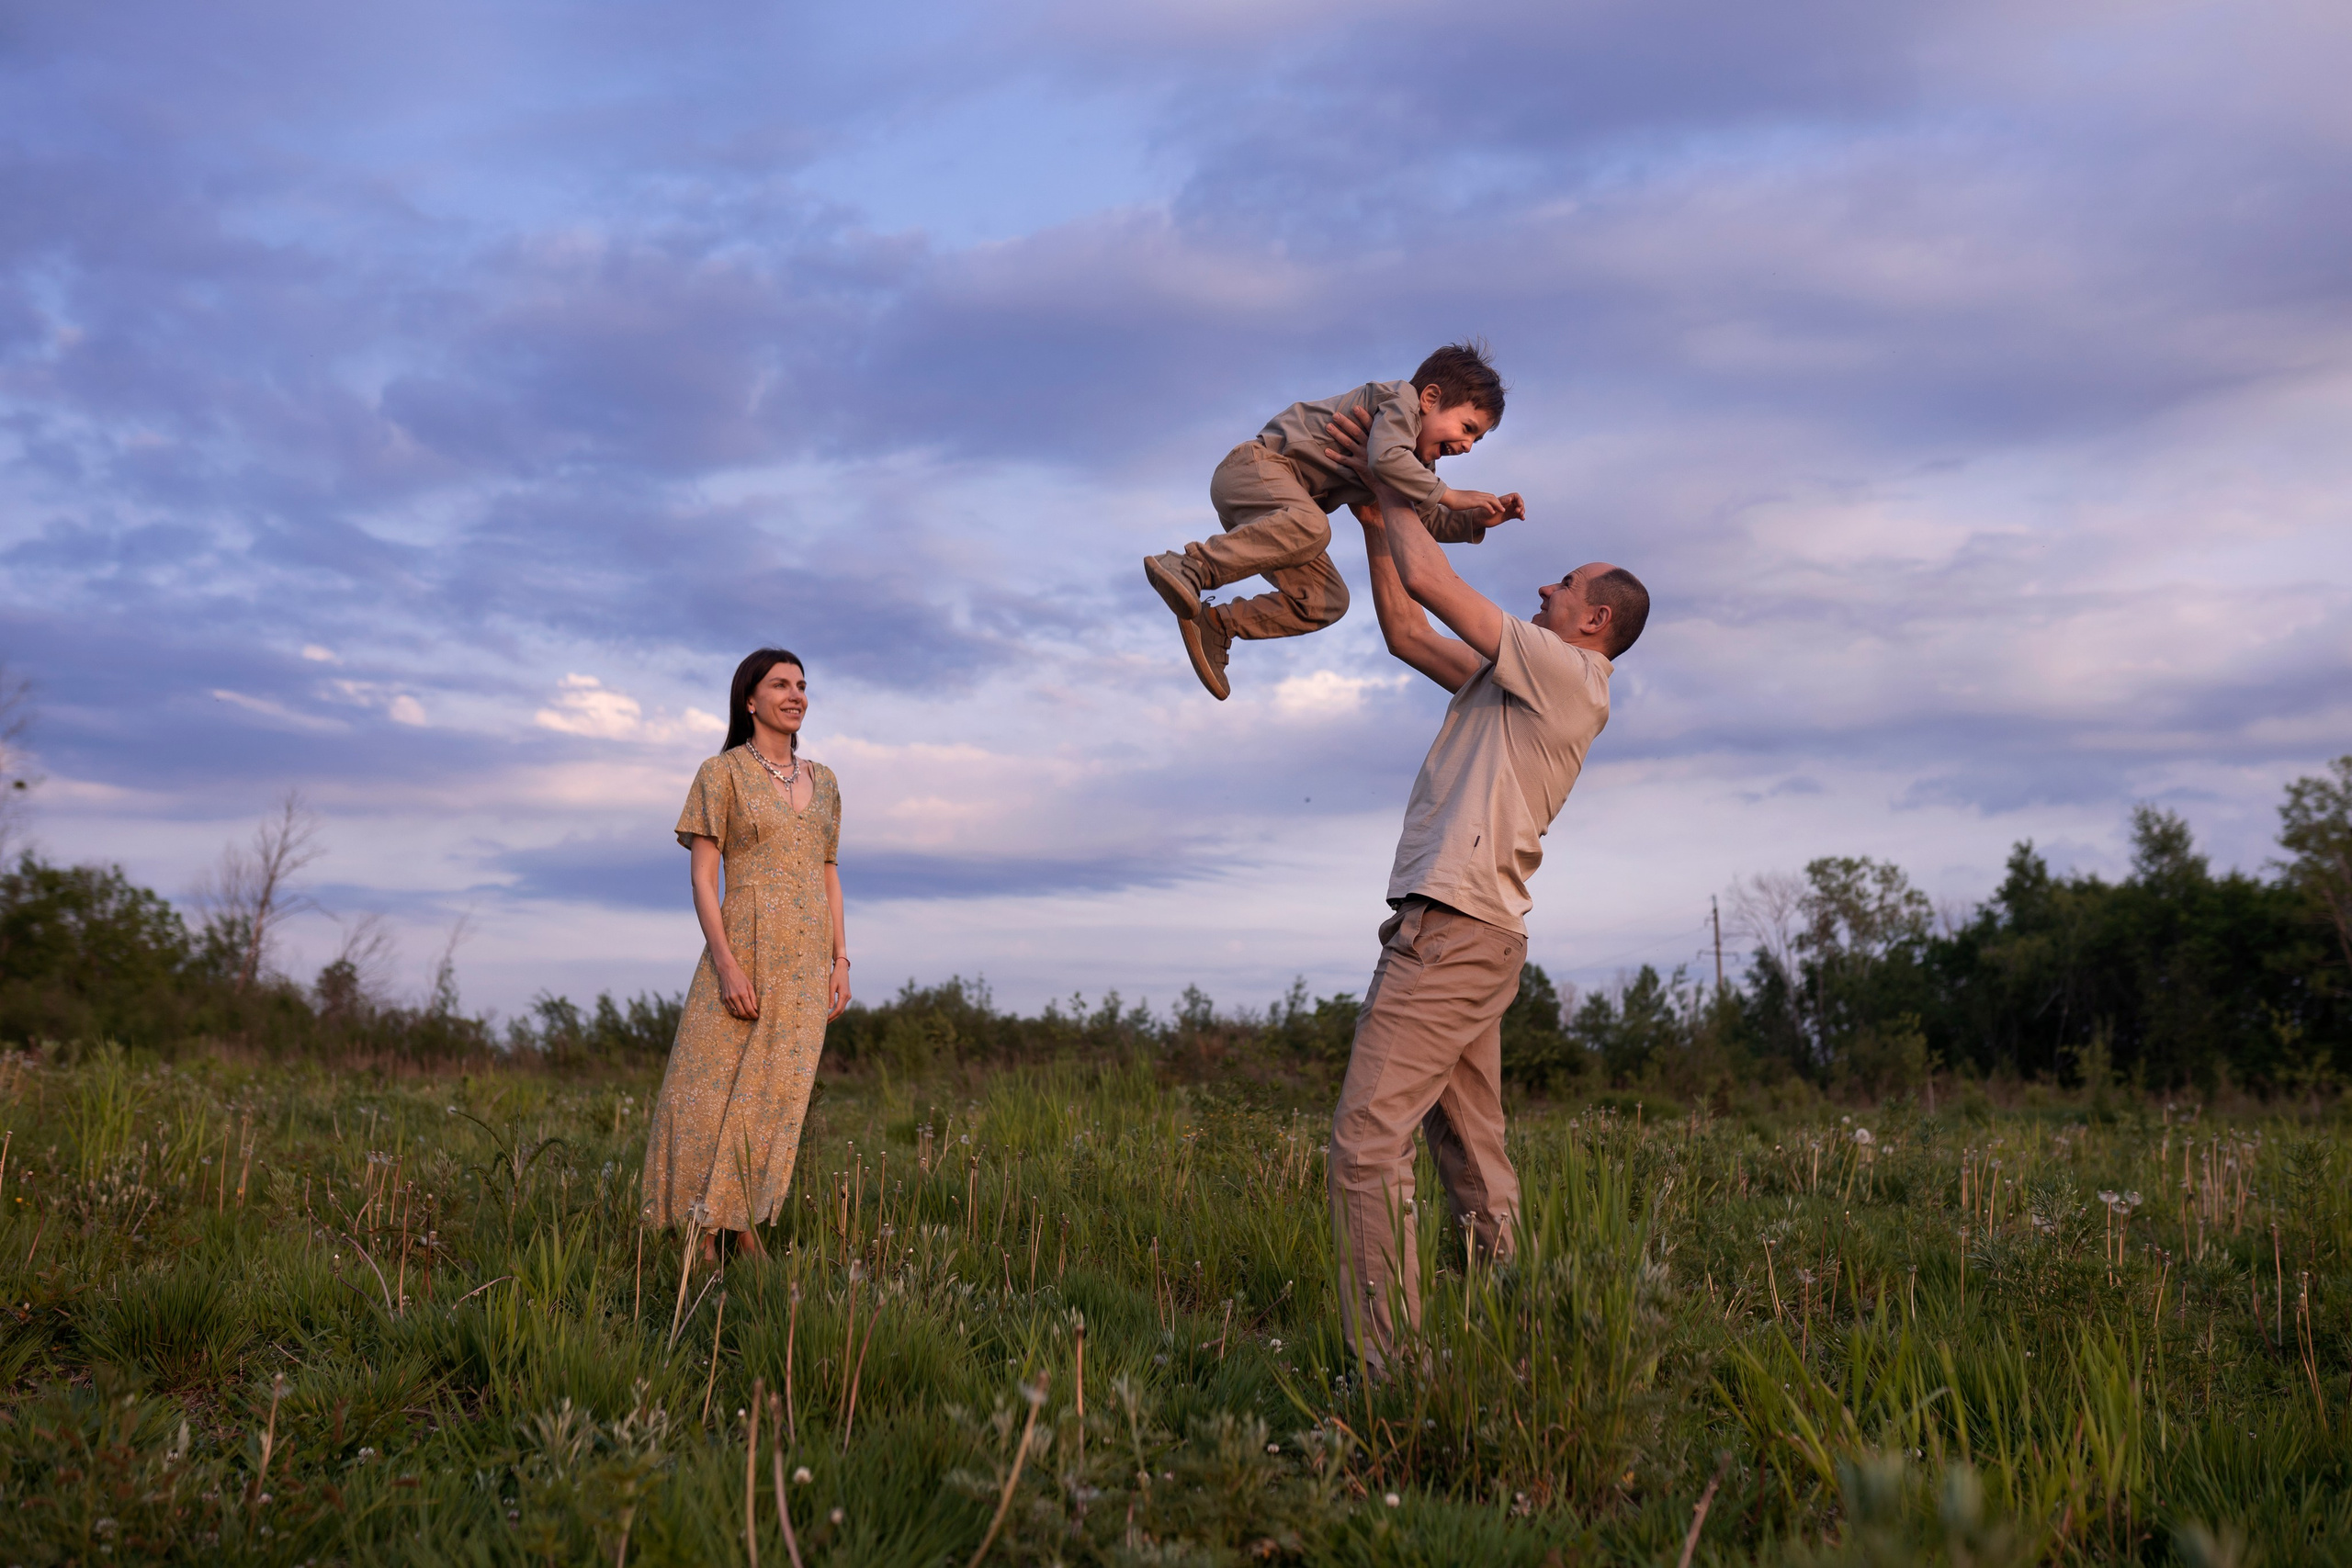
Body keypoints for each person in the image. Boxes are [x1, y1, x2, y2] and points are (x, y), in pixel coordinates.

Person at [1320, 424, 1649, 1372]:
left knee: (1365, 1147)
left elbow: (1435, 584)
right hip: (1478, 937)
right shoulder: (1515, 688)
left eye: (1563, 586)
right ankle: (1516, 1332)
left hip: (1453, 932)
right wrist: (1371, 515)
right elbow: (1405, 628)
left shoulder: (1569, 674)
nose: (1544, 588)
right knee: (1472, 1159)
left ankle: (1388, 1372)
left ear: (1593, 620)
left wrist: (1389, 485)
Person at [1141, 342, 1528, 701]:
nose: (1466, 446)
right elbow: (1385, 458)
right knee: (1313, 527)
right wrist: (1453, 494)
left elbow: (1425, 519)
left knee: (1326, 601)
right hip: (1255, 470)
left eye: (1476, 441)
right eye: (1467, 429)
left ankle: (1218, 625)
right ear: (1430, 398)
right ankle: (1190, 566)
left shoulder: (1417, 465)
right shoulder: (1399, 403)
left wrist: (1474, 520)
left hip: (1281, 520)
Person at [641, 648, 852, 1260]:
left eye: (803, 685)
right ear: (749, 698)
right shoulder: (721, 772)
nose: (796, 694)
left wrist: (841, 958)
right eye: (781, 684)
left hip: (807, 953)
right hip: (744, 942)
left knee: (778, 1096)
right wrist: (727, 963)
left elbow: (829, 872)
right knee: (704, 1084)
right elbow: (704, 879)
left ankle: (743, 1223)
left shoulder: (828, 781)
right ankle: (702, 1231)